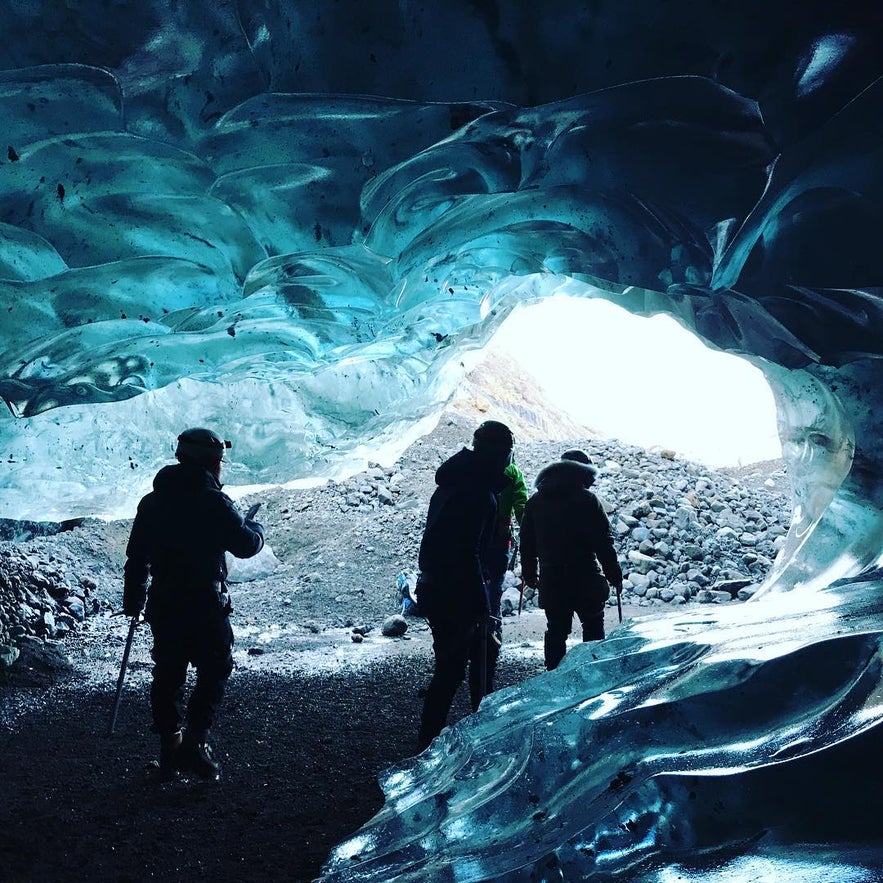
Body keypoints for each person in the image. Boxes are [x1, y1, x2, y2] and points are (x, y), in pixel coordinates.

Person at [123, 427, 265, 781]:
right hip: (205, 602)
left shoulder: (152, 502)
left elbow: (137, 556)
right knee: (215, 668)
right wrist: (256, 526)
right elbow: (246, 545)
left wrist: (133, 598)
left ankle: (171, 749)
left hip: (165, 602)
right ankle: (196, 745)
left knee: (168, 673)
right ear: (211, 462)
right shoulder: (214, 502)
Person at [415, 420, 515, 752]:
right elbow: (467, 551)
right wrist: (482, 604)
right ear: (500, 453)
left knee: (452, 665)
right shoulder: (478, 492)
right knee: (463, 665)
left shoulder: (454, 483)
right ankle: (462, 739)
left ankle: (428, 739)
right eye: (507, 452)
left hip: (436, 586)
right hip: (456, 592)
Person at [519, 449, 623, 670]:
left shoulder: (536, 501)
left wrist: (530, 573)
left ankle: (553, 678)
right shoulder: (588, 500)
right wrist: (614, 574)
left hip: (551, 577)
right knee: (593, 626)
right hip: (585, 575)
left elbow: (527, 542)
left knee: (556, 630)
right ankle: (593, 675)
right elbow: (603, 543)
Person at [478, 456, 528, 707]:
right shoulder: (513, 474)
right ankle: (489, 646)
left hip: (468, 547)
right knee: (493, 600)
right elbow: (521, 506)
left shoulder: (469, 471)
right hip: (497, 545)